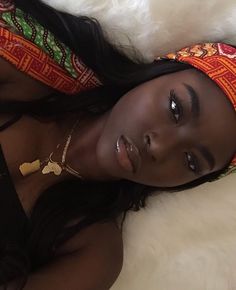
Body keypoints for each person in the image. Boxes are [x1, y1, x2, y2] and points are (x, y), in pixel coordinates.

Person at [0, 0, 235, 289]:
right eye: (175, 108)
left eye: (191, 162)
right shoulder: (27, 71)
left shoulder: (95, 249)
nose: (160, 148)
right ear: (157, 74)